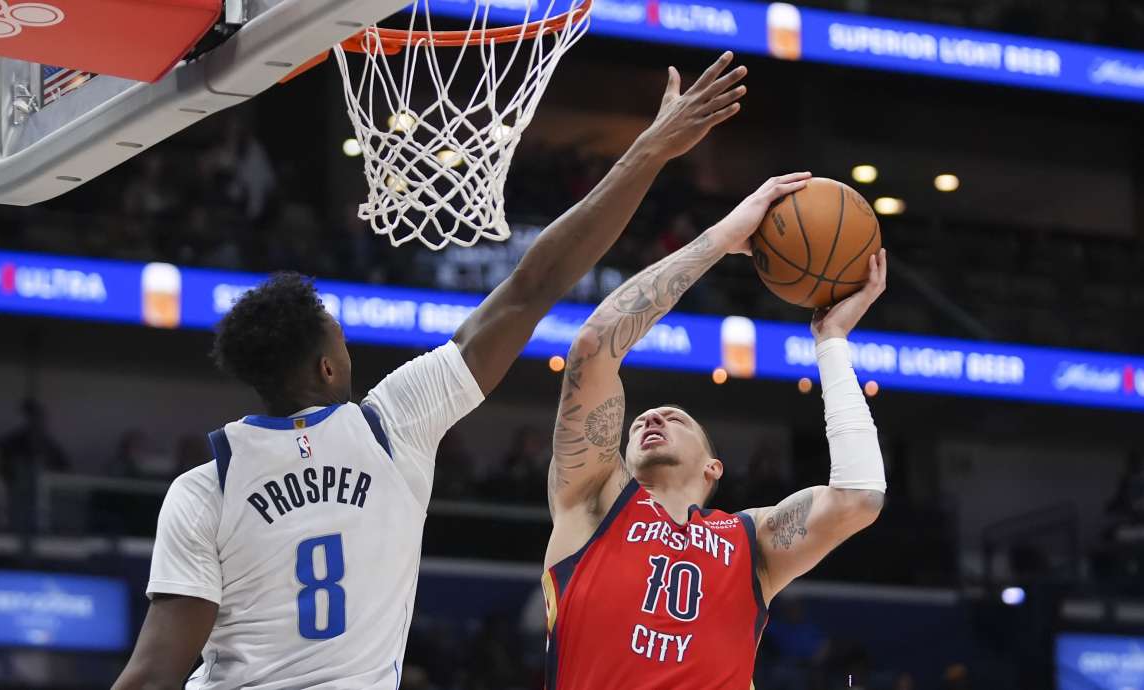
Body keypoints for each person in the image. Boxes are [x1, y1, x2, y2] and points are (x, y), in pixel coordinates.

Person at [112, 51, 750, 690]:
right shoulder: (392, 425)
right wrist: (650, 151)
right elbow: (536, 284)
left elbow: (153, 673)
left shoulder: (206, 487)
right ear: (329, 367)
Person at [541, 175, 889, 688]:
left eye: (674, 417)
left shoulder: (752, 541)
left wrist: (831, 342)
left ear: (713, 467)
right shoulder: (594, 501)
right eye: (641, 421)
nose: (650, 418)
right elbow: (594, 344)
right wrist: (723, 239)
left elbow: (859, 497)